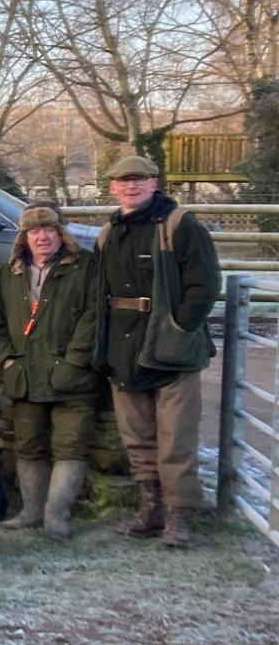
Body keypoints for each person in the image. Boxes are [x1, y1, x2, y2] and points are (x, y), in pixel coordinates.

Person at [92, 154, 221, 547]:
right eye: (123, 181)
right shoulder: (107, 234)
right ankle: (151, 509)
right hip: (124, 348)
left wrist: (180, 328)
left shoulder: (180, 225)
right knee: (138, 437)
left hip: (171, 350)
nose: (131, 187)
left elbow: (205, 285)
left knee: (176, 438)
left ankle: (180, 517)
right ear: (112, 187)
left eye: (139, 180)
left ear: (154, 183)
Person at [0, 204, 103, 539]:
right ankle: (31, 512)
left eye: (49, 229)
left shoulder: (86, 267)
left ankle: (57, 518)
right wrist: (7, 362)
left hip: (73, 377)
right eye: (34, 231)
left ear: (61, 233)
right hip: (25, 377)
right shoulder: (7, 273)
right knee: (27, 446)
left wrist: (74, 362)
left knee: (70, 446)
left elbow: (94, 316)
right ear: (23, 236)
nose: (42, 237)